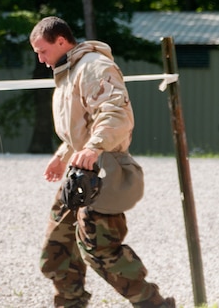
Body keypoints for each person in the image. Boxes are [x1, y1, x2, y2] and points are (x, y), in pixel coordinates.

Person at [30, 16, 175, 308]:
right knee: (57, 247)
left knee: (100, 249)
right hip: (80, 169)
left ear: (61, 41)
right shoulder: (69, 71)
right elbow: (80, 128)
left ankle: (153, 305)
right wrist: (62, 157)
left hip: (104, 170)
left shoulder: (94, 66)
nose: (41, 59)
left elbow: (115, 114)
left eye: (43, 51)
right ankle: (70, 302)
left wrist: (94, 148)